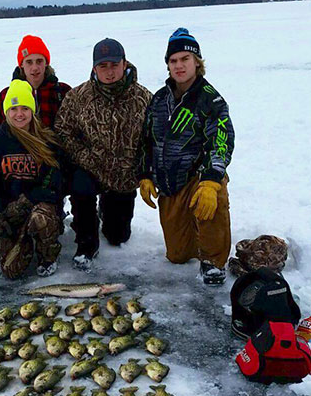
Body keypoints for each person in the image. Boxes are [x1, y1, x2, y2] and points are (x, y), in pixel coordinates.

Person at [140, 28, 235, 285]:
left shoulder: (210, 100)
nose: (179, 65)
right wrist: (145, 175)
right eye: (173, 60)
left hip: (198, 178)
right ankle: (193, 236)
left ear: (197, 62)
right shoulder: (159, 100)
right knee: (177, 255)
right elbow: (147, 140)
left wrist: (213, 178)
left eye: (185, 59)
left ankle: (213, 261)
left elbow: (221, 141)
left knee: (211, 197)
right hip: (170, 184)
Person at [55, 38, 152, 271]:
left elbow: (153, 141)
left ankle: (107, 212)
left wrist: (145, 172)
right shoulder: (79, 97)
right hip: (90, 170)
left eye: (114, 65)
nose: (109, 72)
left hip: (123, 177)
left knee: (118, 236)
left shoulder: (143, 99)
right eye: (103, 66)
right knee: (80, 186)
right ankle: (86, 244)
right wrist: (86, 157)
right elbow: (62, 131)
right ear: (94, 68)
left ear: (124, 63)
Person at [0, 35, 70, 248]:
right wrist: (2, 163)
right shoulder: (7, 96)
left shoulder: (62, 93)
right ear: (21, 65)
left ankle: (62, 227)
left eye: (39, 61)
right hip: (15, 166)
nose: (34, 68)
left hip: (53, 165)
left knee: (80, 182)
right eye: (29, 62)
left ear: (46, 63)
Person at [0, 79, 63, 279]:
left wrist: (37, 194)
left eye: (24, 108)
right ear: (6, 112)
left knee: (40, 218)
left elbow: (56, 177)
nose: (19, 114)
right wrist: (1, 212)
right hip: (12, 207)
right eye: (13, 109)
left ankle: (48, 256)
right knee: (11, 272)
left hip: (40, 205)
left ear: (32, 111)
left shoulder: (46, 139)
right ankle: (24, 242)